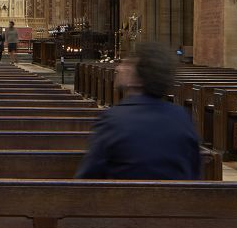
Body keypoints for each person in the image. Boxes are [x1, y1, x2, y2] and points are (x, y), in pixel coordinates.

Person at [75, 41, 201, 179]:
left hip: (124, 199)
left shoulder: (113, 120)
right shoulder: (181, 117)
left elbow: (87, 179)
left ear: (137, 79)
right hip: (178, 199)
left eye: (126, 64)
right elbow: (194, 174)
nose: (118, 68)